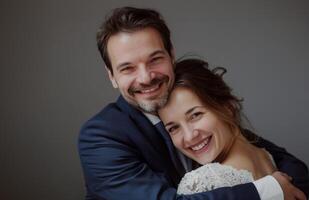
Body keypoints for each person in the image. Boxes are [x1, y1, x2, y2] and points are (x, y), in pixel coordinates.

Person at [78, 6, 309, 200]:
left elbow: (282, 160)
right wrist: (268, 190)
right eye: (128, 68)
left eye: (155, 59)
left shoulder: (193, 102)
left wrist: (291, 187)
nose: (146, 77)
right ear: (111, 76)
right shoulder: (100, 136)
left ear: (171, 55)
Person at [158, 58, 308, 196]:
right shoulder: (267, 155)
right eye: (173, 128)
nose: (189, 136)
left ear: (227, 108)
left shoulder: (200, 184)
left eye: (195, 115)